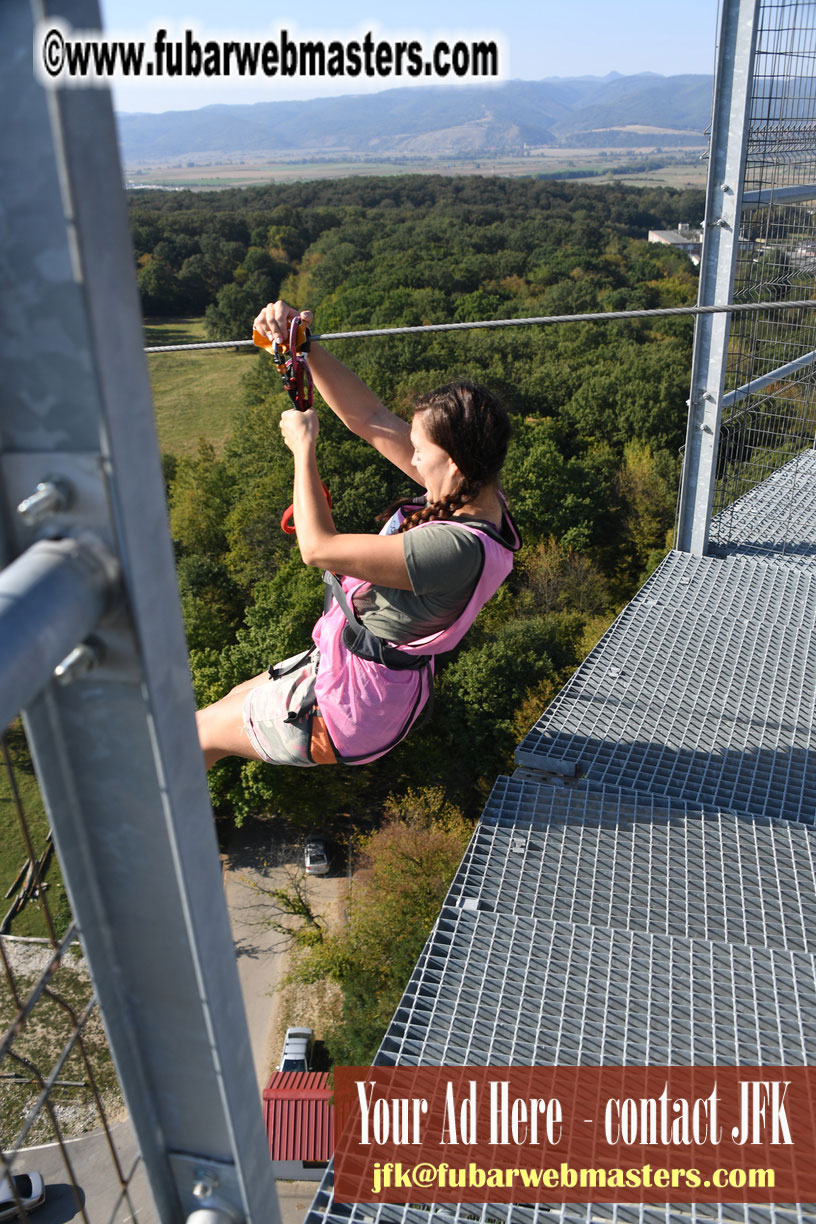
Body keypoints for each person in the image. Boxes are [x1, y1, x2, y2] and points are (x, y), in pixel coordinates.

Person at [196, 299, 521, 770]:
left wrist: (302, 450)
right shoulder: (478, 495)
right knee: (213, 714)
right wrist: (303, 348)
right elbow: (367, 418)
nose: (412, 459)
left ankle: (139, 831)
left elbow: (317, 548)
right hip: (353, 678)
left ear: (452, 462)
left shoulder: (453, 550)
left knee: (198, 734)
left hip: (346, 711)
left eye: (419, 451)